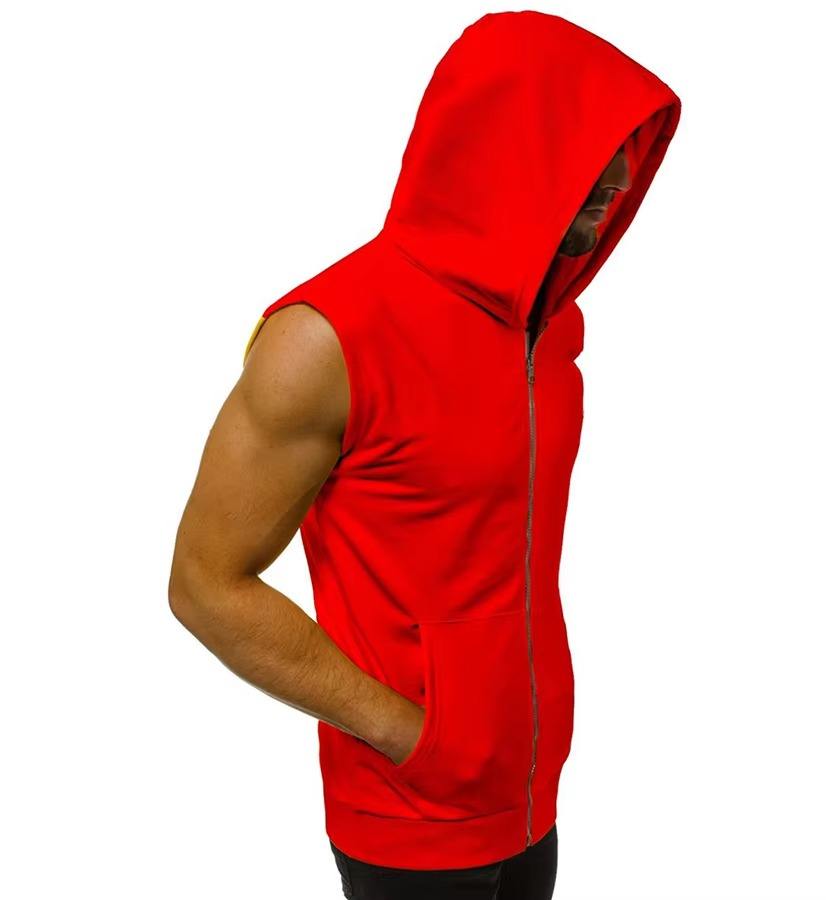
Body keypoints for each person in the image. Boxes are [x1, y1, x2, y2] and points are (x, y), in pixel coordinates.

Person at [168, 10, 680, 898]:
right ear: (499, 150)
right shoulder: (326, 338)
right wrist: (411, 734)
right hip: (407, 812)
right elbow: (205, 584)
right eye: (583, 157)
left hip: (530, 794)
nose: (614, 187)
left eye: (620, 158)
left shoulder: (549, 328)